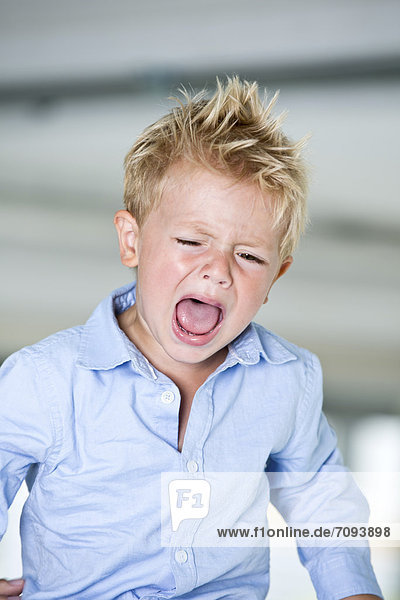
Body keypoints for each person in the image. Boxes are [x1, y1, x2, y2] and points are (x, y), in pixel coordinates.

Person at [0, 77, 383, 600]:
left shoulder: (287, 380)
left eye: (248, 256)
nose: (218, 271)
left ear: (276, 277)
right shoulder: (44, 380)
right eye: (190, 241)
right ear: (131, 240)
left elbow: (324, 503)